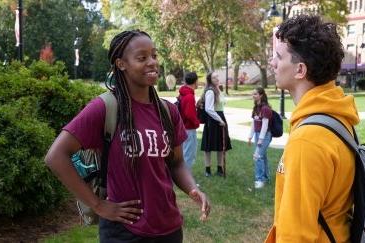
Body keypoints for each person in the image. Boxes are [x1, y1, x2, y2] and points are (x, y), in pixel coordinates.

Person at [45, 30, 210, 242]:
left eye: (154, 55)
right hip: (124, 232)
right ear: (121, 64)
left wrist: (193, 189)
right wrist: (98, 205)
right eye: (142, 58)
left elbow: (176, 163)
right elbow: (55, 156)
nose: (152, 62)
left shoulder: (168, 111)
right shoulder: (105, 108)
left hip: (169, 229)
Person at [264, 15, 359, 242]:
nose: (272, 62)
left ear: (300, 70)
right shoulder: (337, 118)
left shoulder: (308, 140)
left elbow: (295, 235)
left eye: (278, 56)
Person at [200, 72, 232, 177]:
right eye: (214, 77)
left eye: (217, 76)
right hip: (213, 120)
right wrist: (219, 120)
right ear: (210, 80)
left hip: (220, 118)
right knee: (208, 146)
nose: (217, 78)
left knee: (220, 146)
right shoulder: (210, 91)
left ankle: (220, 168)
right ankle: (207, 170)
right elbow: (208, 109)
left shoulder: (218, 89)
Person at [247, 87, 272, 189]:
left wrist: (261, 140)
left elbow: (265, 125)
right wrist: (250, 137)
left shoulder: (265, 108)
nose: (253, 96)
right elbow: (254, 123)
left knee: (257, 156)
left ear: (261, 95)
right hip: (257, 134)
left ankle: (259, 180)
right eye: (253, 94)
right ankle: (266, 177)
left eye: (255, 94)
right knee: (262, 156)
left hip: (265, 135)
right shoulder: (255, 108)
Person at [178, 72, 200, 170]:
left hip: (183, 128)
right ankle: (187, 181)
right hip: (189, 129)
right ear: (195, 82)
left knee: (185, 154)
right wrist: (197, 123)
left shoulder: (184, 93)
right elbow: (189, 114)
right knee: (189, 155)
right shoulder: (189, 96)